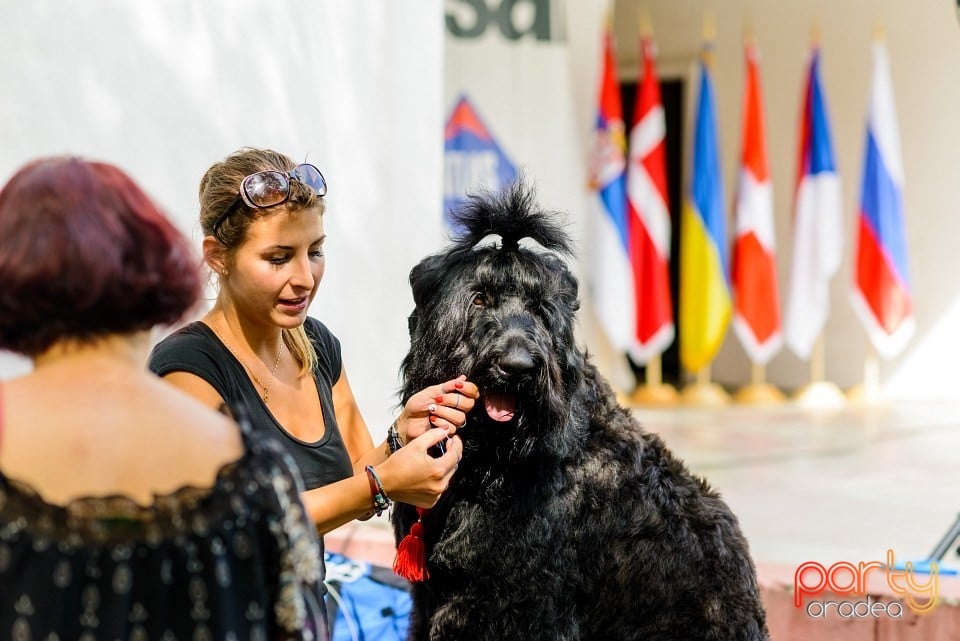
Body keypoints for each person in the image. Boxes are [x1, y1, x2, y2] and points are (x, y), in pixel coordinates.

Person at [0, 156, 327, 639]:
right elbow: (297, 624)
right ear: (157, 268)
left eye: (314, 251)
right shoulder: (252, 468)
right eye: (279, 257)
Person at [148, 148, 475, 540]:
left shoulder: (315, 345)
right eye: (278, 258)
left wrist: (400, 437)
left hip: (307, 602)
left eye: (315, 251)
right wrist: (380, 484)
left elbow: (348, 481)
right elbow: (236, 525)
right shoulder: (188, 367)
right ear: (218, 257)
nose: (305, 277)